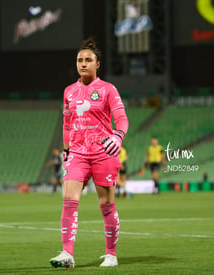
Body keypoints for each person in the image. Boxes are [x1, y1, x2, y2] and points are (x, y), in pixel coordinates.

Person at [50, 38, 128, 269]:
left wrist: (117, 136)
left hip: (103, 153)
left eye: (88, 60)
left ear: (98, 64)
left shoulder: (108, 89)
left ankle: (111, 254)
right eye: (79, 60)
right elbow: (66, 124)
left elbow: (122, 119)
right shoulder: (69, 92)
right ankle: (67, 253)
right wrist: (65, 151)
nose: (83, 64)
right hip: (77, 153)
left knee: (106, 204)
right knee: (69, 200)